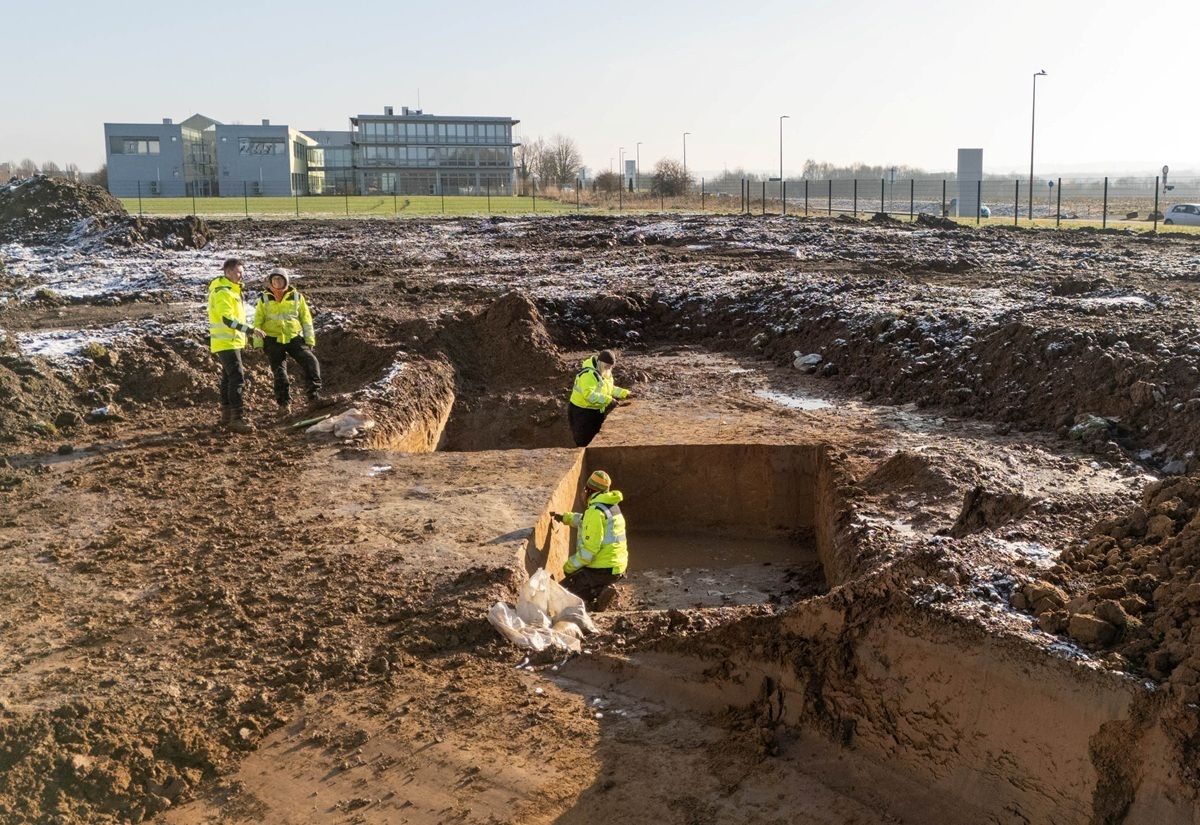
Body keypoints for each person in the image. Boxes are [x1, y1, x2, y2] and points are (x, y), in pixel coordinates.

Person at [551, 470, 628, 611]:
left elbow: (588, 552)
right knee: (578, 583)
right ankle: (600, 590)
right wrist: (566, 518)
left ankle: (596, 602)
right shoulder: (610, 507)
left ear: (589, 490)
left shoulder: (594, 512)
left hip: (601, 570)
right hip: (617, 567)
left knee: (560, 597)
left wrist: (568, 567)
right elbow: (586, 521)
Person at [252, 268, 323, 417]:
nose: (277, 282)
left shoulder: (296, 297)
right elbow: (258, 321)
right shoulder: (264, 299)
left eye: (280, 279)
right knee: (279, 372)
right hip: (272, 340)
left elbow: (306, 320)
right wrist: (258, 343)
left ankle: (314, 397)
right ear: (270, 282)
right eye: (274, 280)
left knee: (311, 362)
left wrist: (310, 339)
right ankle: (284, 404)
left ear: (286, 281)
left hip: (293, 338)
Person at [208, 258, 263, 433]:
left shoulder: (231, 291)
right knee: (237, 378)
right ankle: (236, 418)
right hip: (226, 342)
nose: (241, 276)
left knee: (228, 378)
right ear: (228, 272)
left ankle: (226, 415)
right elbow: (227, 319)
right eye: (238, 272)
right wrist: (249, 330)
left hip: (230, 341)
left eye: (242, 272)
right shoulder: (223, 292)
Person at [567, 349, 631, 447]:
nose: (609, 368)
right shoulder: (588, 375)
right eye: (607, 366)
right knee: (584, 441)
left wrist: (625, 393)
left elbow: (609, 389)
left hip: (596, 411)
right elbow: (589, 395)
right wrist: (608, 400)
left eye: (610, 367)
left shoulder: (605, 372)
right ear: (601, 363)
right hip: (581, 413)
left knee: (595, 439)